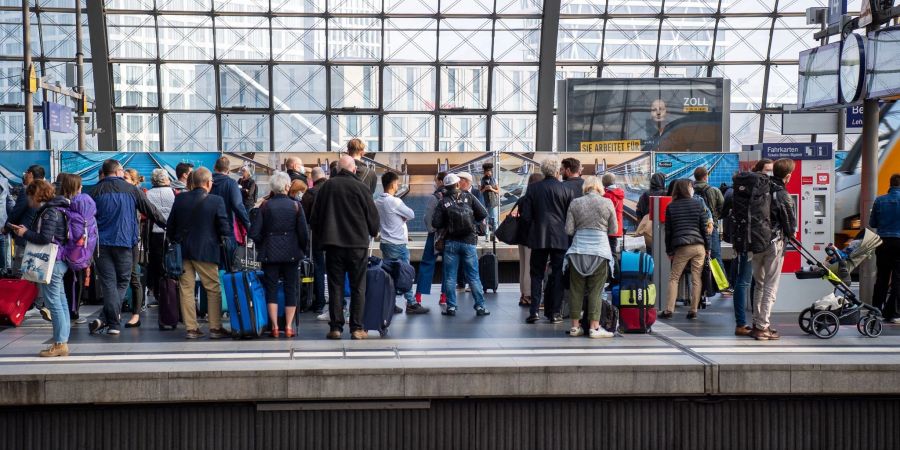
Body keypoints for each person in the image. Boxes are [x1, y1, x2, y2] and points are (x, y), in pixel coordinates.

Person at [88, 160, 166, 336]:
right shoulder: (132, 190)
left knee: (108, 282)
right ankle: (113, 322)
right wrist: (166, 225)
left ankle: (107, 320)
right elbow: (151, 210)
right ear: (118, 171)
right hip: (124, 242)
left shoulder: (94, 191)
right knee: (123, 281)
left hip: (101, 245)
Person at [310, 155, 380, 340]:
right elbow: (373, 217)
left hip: (333, 246)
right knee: (358, 287)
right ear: (354, 169)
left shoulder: (326, 187)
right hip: (357, 246)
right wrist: (373, 231)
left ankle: (336, 328)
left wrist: (321, 239)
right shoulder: (362, 188)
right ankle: (357, 328)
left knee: (335, 287)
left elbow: (314, 218)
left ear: (338, 169)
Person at [167, 168, 231, 340]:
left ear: (192, 182)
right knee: (212, 289)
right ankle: (215, 327)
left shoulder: (180, 199)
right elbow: (224, 228)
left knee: (186, 290)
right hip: (206, 251)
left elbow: (170, 225)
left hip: (183, 252)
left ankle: (191, 328)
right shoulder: (216, 201)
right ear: (208, 182)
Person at [8, 180, 69, 356]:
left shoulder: (49, 212)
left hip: (53, 263)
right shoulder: (53, 208)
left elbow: (45, 238)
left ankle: (60, 343)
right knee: (61, 300)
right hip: (59, 260)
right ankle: (62, 339)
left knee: (54, 303)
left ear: (36, 195)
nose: (28, 200)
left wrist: (24, 233)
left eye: (29, 196)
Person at [249, 171, 309, 338]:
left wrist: (264, 243)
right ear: (287, 186)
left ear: (273, 188)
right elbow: (304, 233)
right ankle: (289, 327)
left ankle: (274, 326)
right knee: (291, 288)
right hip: (291, 253)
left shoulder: (265, 206)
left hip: (270, 253)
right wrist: (301, 249)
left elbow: (254, 232)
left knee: (271, 289)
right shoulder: (296, 206)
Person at [520, 158, 575, 324]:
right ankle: (555, 312)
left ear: (543, 171)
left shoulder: (533, 188)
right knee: (557, 274)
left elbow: (526, 216)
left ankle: (534, 310)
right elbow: (569, 217)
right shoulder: (566, 190)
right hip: (561, 237)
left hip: (539, 237)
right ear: (558, 171)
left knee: (536, 273)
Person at [749, 158, 797, 341]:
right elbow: (790, 225)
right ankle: (763, 327)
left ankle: (757, 323)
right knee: (770, 285)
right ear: (788, 176)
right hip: (773, 244)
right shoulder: (783, 194)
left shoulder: (762, 188)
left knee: (759, 284)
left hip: (756, 242)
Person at [431, 173, 491, 317]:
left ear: (445, 186)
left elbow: (435, 223)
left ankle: (451, 307)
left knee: (450, 277)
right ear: (458, 184)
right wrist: (472, 223)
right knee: (473, 277)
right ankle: (480, 307)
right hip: (469, 242)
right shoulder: (468, 197)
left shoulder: (443, 201)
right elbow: (483, 213)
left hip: (451, 242)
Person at [565, 176, 617, 339]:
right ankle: (594, 327)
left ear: (585, 187)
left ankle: (575, 326)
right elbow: (613, 229)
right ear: (600, 188)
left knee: (576, 290)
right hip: (600, 252)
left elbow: (568, 230)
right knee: (596, 290)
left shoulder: (575, 203)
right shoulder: (607, 202)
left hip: (578, 251)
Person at [376, 172, 429, 314]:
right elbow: (411, 214)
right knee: (405, 273)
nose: (398, 185)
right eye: (397, 183)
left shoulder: (378, 201)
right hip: (398, 244)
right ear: (393, 184)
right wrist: (402, 216)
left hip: (386, 242)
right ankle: (411, 303)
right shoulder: (394, 201)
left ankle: (390, 303)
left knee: (390, 275)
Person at [729, 159, 772, 336]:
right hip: (759, 242)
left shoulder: (737, 192)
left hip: (744, 241)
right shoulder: (766, 191)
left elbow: (726, 212)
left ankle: (748, 322)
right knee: (750, 282)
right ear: (759, 170)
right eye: (768, 170)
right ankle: (754, 322)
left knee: (748, 281)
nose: (769, 174)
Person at [661, 179, 709, 320]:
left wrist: (669, 251)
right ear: (688, 189)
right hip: (699, 246)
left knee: (674, 277)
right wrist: (708, 247)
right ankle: (693, 310)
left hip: (682, 247)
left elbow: (668, 232)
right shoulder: (698, 204)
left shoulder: (671, 206)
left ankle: (669, 309)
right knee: (696, 278)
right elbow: (704, 228)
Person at [6, 165, 46, 318]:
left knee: (22, 271)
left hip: (26, 236)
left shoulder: (28, 191)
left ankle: (23, 304)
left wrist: (6, 227)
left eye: (26, 173)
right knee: (39, 272)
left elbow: (16, 212)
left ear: (30, 174)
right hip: (42, 238)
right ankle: (39, 303)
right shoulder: (49, 190)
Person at [415, 172, 448, 308]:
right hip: (450, 237)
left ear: (441, 181)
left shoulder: (436, 197)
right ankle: (444, 297)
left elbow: (428, 217)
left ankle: (418, 297)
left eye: (436, 181)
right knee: (449, 267)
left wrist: (432, 230)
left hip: (435, 236)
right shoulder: (457, 196)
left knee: (427, 264)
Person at [871, 174, 900, 324]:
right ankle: (893, 313)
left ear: (890, 184)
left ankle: (876, 309)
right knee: (898, 278)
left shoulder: (879, 200)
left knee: (882, 276)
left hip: (883, 242)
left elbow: (873, 222)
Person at [210, 156, 250, 264]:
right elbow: (238, 205)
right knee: (229, 264)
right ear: (228, 170)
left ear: (214, 167)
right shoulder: (231, 183)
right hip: (227, 229)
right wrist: (248, 225)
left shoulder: (207, 182)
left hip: (208, 229)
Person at [145, 169, 176, 302]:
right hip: (170, 233)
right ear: (165, 179)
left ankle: (158, 292)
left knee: (156, 263)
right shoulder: (173, 193)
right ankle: (170, 291)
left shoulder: (148, 194)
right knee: (170, 262)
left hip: (154, 233)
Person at [300, 167, 328, 314]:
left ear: (312, 179)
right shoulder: (331, 189)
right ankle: (339, 301)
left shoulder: (309, 194)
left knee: (318, 266)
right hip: (335, 235)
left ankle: (319, 301)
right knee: (335, 268)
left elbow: (304, 217)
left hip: (317, 235)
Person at [514, 173, 543, 307]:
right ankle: (528, 295)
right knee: (530, 267)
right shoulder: (535, 199)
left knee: (523, 266)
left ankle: (523, 294)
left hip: (522, 236)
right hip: (532, 237)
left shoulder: (523, 198)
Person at [123, 170, 146, 328]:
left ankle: (136, 314)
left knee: (134, 277)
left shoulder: (136, 194)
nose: (122, 181)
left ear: (134, 181)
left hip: (132, 240)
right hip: (123, 240)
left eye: (125, 178)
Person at [693, 166, 725, 273]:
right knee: (715, 256)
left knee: (697, 256)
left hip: (694, 229)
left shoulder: (690, 191)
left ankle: (701, 285)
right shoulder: (714, 190)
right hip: (711, 227)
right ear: (706, 177)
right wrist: (715, 218)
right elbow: (722, 208)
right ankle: (721, 285)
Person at [480, 163, 499, 229]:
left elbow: (498, 191)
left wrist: (491, 189)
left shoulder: (494, 180)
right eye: (486, 172)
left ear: (491, 172)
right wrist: (485, 188)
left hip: (493, 202)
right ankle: (487, 235)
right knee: (486, 219)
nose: (488, 174)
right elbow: (480, 192)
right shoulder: (482, 180)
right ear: (484, 172)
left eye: (489, 172)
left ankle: (495, 235)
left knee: (494, 219)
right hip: (485, 202)